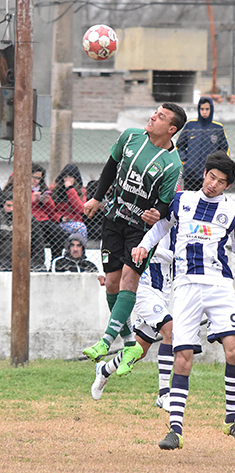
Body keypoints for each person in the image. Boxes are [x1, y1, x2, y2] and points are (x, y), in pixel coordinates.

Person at [132, 151, 235, 450]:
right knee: (183, 358)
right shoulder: (182, 200)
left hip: (220, 286)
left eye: (221, 182)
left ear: (227, 186)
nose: (214, 184)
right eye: (211, 177)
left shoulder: (234, 213)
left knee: (234, 349)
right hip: (185, 287)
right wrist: (144, 245)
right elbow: (161, 226)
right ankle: (175, 430)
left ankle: (231, 419)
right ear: (205, 173)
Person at [82, 103, 186, 377]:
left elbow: (165, 205)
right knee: (113, 283)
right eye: (155, 112)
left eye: (160, 116)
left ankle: (105, 341)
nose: (153, 117)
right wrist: (96, 197)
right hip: (113, 219)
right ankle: (129, 342)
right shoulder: (130, 136)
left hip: (139, 231)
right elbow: (110, 166)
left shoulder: (172, 164)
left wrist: (157, 213)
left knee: (130, 279)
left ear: (171, 129)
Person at [91, 231, 174, 411]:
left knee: (140, 349)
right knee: (170, 329)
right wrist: (102, 269)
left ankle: (104, 371)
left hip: (163, 291)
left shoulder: (178, 221)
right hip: (142, 287)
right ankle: (164, 394)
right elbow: (114, 238)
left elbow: (176, 256)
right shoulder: (146, 218)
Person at [176, 96, 229, 191]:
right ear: (198, 109)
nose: (204, 112)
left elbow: (224, 150)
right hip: (190, 173)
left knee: (206, 199)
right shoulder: (190, 125)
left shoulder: (218, 128)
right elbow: (179, 145)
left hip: (209, 174)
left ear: (211, 109)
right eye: (202, 109)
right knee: (190, 199)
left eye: (207, 109)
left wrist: (216, 165)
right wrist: (184, 160)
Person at [0, 190, 46, 271]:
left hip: (25, 261)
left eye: (15, 206)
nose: (12, 209)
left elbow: (38, 243)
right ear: (3, 204)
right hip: (3, 261)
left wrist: (34, 262)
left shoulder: (29, 219)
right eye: (8, 205)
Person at [31, 163, 67, 261]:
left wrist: (46, 201)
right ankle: (38, 262)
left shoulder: (42, 188)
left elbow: (51, 210)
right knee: (38, 237)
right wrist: (32, 199)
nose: (36, 181)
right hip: (30, 220)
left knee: (60, 235)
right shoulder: (19, 188)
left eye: (39, 178)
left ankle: (56, 262)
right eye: (34, 177)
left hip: (44, 220)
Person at [50, 164, 88, 240]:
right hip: (59, 222)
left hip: (75, 222)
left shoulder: (81, 191)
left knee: (81, 228)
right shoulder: (54, 189)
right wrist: (59, 218)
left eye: (70, 177)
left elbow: (80, 209)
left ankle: (79, 250)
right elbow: (50, 209)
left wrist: (70, 189)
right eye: (65, 177)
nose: (67, 180)